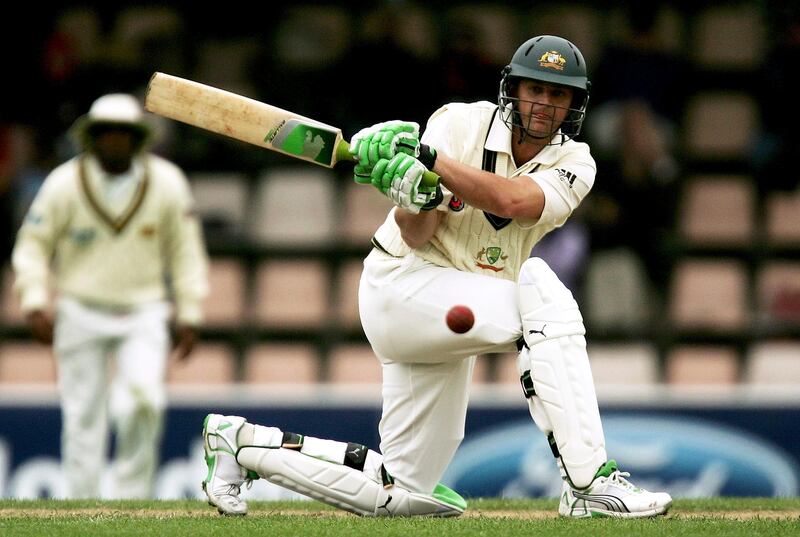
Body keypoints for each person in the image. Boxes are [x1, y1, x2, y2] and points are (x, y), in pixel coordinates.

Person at [201, 35, 672, 518]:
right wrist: (415, 194)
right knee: (544, 295)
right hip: (404, 287)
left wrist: (431, 163)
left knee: (403, 493)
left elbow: (513, 201)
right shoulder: (458, 123)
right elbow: (415, 233)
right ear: (513, 89)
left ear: (574, 104)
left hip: (456, 304)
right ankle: (588, 483)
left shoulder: (576, 162)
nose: (543, 104)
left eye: (558, 95)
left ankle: (238, 445)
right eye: (535, 89)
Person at [11, 93, 209, 499]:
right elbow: (32, 244)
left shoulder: (167, 182)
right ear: (91, 137)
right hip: (79, 308)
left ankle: (132, 503)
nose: (115, 142)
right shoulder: (64, 182)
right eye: (107, 134)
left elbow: (186, 251)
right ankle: (83, 505)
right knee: (83, 414)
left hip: (145, 309)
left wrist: (189, 312)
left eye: (124, 134)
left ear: (139, 138)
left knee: (143, 403)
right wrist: (33, 301)